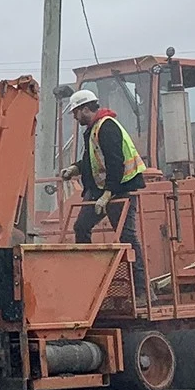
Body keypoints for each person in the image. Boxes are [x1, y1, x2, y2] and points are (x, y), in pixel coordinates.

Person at [61, 88, 149, 301]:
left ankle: (142, 291)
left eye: (75, 112)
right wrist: (75, 168)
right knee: (81, 227)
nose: (74, 117)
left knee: (127, 236)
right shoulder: (94, 128)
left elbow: (115, 162)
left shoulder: (107, 127)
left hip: (121, 189)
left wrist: (108, 194)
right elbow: (92, 158)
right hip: (101, 190)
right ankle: (90, 281)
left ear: (85, 109)